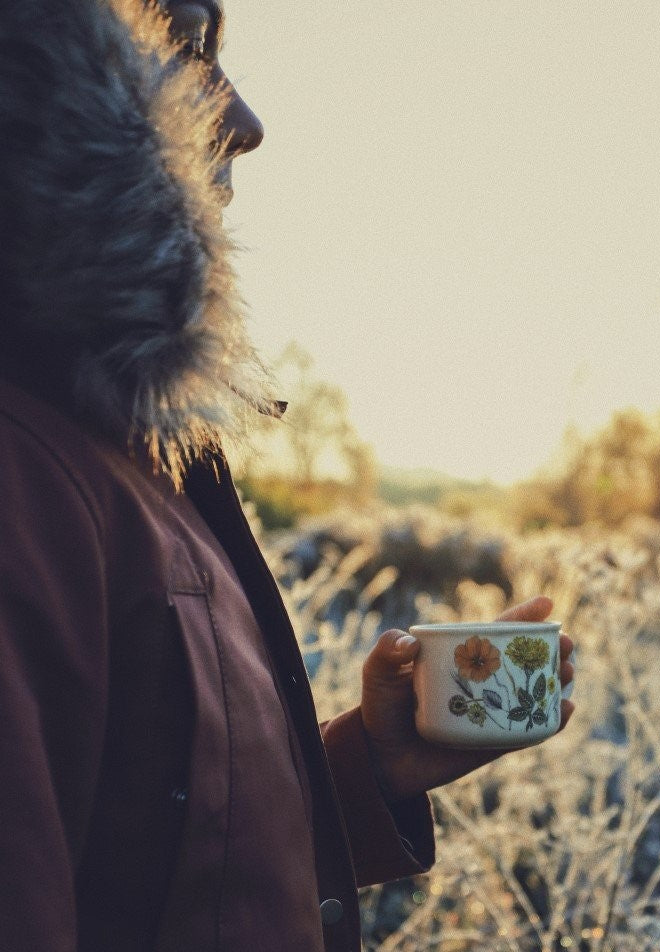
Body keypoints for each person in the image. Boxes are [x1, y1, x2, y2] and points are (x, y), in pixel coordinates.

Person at [0, 1, 575, 950]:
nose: (245, 122)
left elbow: (153, 872)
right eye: (183, 47)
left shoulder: (121, 460)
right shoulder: (29, 476)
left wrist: (369, 767)